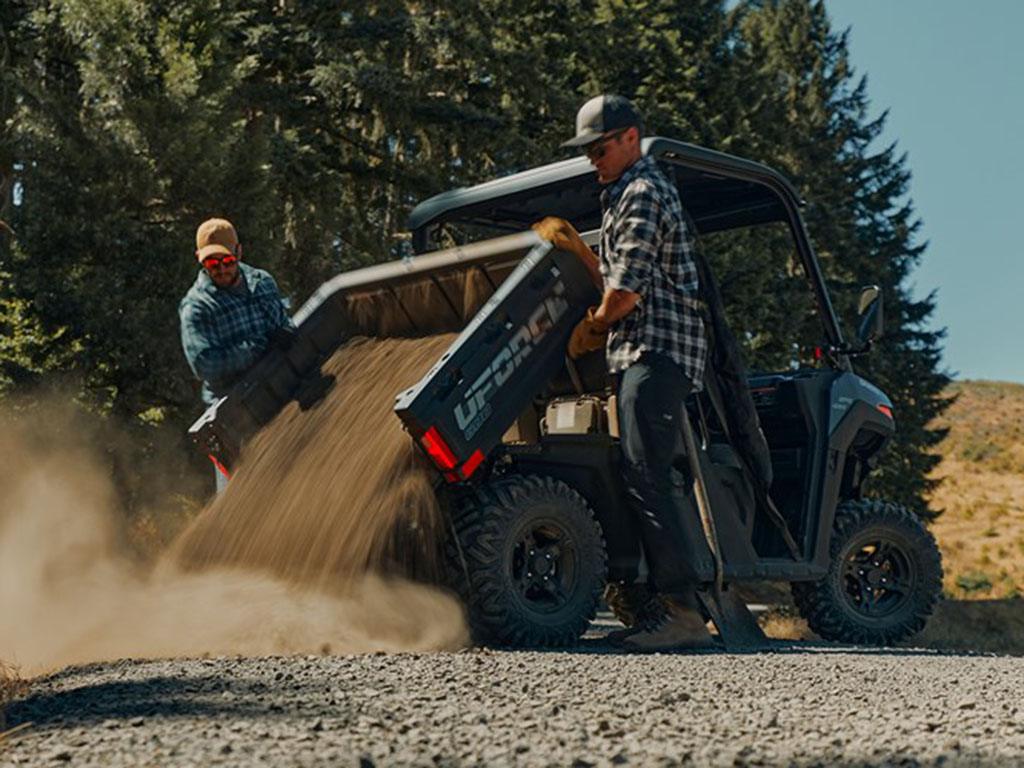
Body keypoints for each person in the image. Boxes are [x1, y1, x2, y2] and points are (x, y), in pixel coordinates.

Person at [559, 94, 713, 650]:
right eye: (587, 153)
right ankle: (653, 605)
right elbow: (616, 273)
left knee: (647, 474)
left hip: (656, 350)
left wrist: (592, 327)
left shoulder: (644, 193)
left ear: (630, 138)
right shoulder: (621, 195)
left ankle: (683, 613)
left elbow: (624, 293)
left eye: (598, 148)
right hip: (642, 353)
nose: (592, 160)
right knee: (636, 473)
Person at [179, 217, 294, 489]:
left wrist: (287, 333)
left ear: (239, 252)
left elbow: (282, 325)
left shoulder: (263, 282)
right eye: (211, 264)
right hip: (233, 413)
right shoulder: (197, 307)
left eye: (227, 261)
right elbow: (205, 364)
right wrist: (255, 348)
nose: (220, 270)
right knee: (240, 495)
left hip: (279, 395)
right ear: (199, 259)